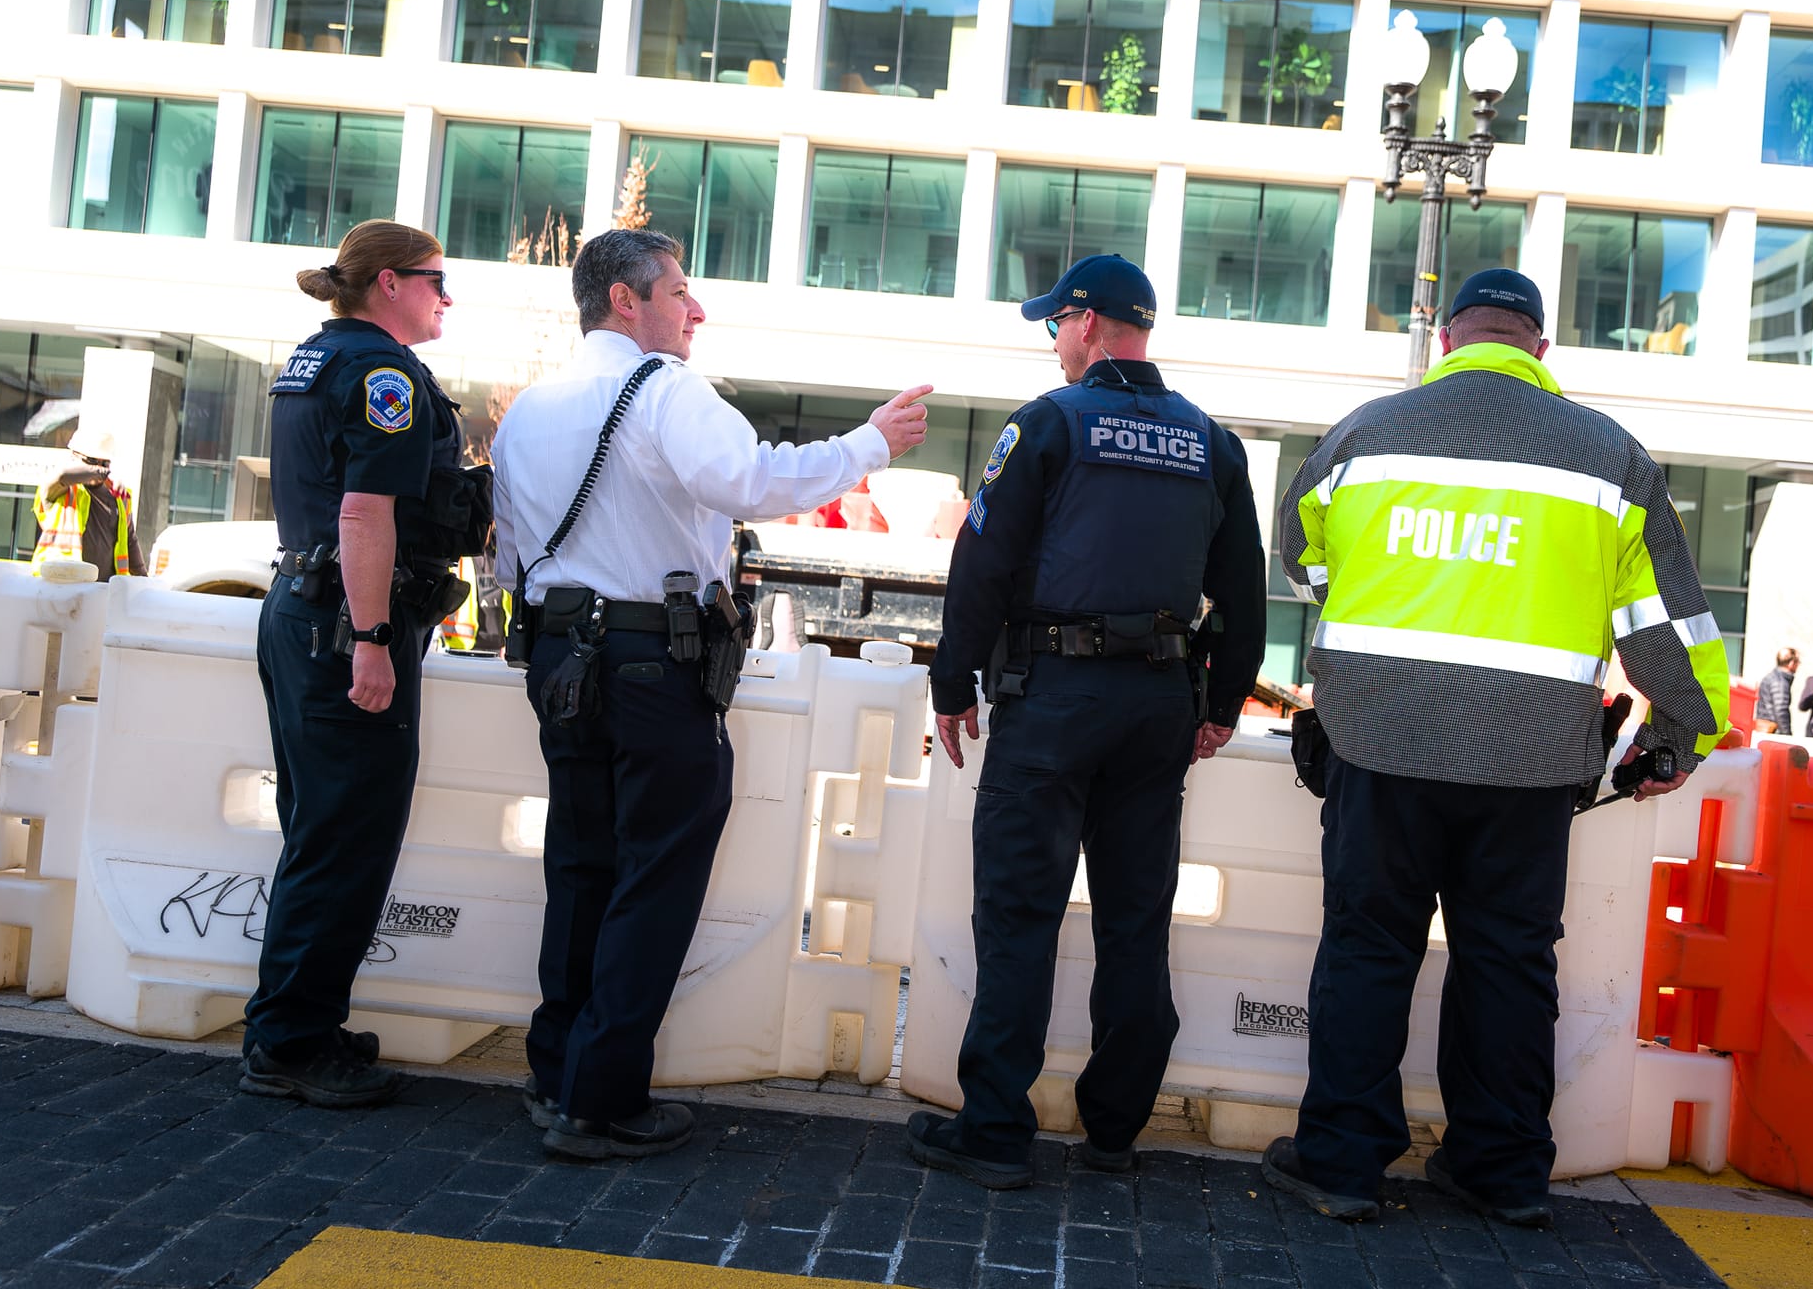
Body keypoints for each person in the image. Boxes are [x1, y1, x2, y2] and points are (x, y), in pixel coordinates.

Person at [1265, 268, 1729, 1227]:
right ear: (1541, 351)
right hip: (1529, 757)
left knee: (1367, 946)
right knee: (1511, 960)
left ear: (1448, 342)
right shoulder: (1614, 461)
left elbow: (1302, 557)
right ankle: (1502, 1170)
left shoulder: (1363, 436)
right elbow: (1665, 629)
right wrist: (1681, 735)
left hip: (1378, 738)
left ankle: (1343, 1164)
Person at [492, 228, 930, 1161]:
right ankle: (599, 1101)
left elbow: (507, 548)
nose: (697, 310)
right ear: (626, 300)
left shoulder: (529, 408)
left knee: (578, 865)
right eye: (681, 292)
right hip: (653, 665)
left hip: (559, 657)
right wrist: (870, 445)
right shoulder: (665, 390)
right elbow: (752, 480)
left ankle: (556, 1068)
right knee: (654, 876)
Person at [906, 254, 1267, 1189]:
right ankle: (1114, 1130)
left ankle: (995, 1131)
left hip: (1053, 700)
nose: (1053, 345)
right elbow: (1242, 592)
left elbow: (981, 568)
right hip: (1158, 706)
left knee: (1021, 912)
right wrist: (1221, 704)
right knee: (1136, 918)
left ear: (1084, 323)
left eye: (1054, 327)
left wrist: (953, 687)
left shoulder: (1049, 423)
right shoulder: (1211, 442)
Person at [241, 220, 486, 1107]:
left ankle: (296, 1020)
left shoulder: (315, 359)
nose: (445, 295)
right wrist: (377, 640)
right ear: (388, 282)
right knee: (345, 836)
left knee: (321, 830)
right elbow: (362, 516)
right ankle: (292, 1045)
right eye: (435, 279)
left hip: (302, 614)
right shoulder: (383, 375)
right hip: (346, 630)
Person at [30, 427, 145, 580]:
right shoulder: (61, 490)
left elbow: (130, 543)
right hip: (61, 585)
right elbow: (63, 475)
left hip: (103, 591)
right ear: (73, 456)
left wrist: (144, 580)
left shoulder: (119, 498)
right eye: (91, 461)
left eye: (104, 463)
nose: (98, 468)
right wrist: (103, 473)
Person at [1754, 647, 1797, 735]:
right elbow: (1781, 710)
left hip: (1766, 728)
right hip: (1774, 731)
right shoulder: (1780, 681)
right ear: (1791, 663)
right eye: (1798, 662)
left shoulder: (1772, 676)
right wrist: (1787, 735)